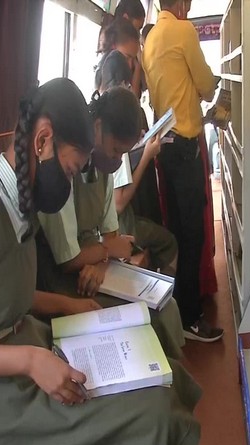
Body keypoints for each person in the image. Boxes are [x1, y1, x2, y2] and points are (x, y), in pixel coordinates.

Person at [0, 78, 201, 445]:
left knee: (165, 381)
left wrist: (70, 307)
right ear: (42, 141)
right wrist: (31, 362)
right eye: (70, 171)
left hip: (32, 345)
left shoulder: (21, 204)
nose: (69, 185)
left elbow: (6, 296)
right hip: (2, 395)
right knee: (157, 413)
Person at [36, 87, 184, 359]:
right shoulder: (65, 170)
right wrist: (107, 252)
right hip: (61, 279)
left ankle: (169, 383)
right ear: (98, 127)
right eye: (115, 151)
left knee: (168, 307)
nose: (117, 162)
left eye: (124, 155)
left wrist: (102, 262)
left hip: (93, 270)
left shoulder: (102, 170)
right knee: (148, 319)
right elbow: (69, 259)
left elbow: (112, 237)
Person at [143, 0, 223, 342]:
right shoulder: (183, 30)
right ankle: (190, 317)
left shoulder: (151, 39)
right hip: (187, 146)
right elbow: (205, 86)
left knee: (175, 230)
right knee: (193, 234)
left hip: (164, 146)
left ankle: (177, 309)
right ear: (183, 3)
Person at [97, 50, 178, 275]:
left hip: (109, 223)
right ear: (124, 83)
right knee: (170, 242)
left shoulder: (103, 121)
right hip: (119, 224)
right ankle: (163, 292)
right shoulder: (116, 130)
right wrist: (146, 155)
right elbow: (119, 204)